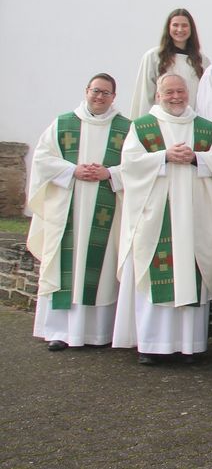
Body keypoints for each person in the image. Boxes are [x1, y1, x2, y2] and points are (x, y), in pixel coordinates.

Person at [112, 73, 212, 364]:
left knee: (190, 275)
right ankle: (152, 346)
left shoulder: (205, 128)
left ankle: (188, 346)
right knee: (158, 277)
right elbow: (129, 166)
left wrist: (197, 159)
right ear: (158, 95)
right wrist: (162, 156)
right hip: (156, 217)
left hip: (194, 219)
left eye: (180, 91)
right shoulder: (142, 128)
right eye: (169, 92)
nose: (176, 97)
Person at [28, 74, 130, 350]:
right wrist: (73, 170)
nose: (99, 97)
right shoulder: (63, 123)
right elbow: (41, 159)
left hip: (105, 211)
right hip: (67, 208)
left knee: (102, 267)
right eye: (95, 91)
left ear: (113, 97)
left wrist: (109, 172)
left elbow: (136, 166)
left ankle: (97, 334)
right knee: (66, 268)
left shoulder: (124, 128)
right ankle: (60, 333)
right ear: (86, 91)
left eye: (106, 93)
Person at [131, 8, 208, 118]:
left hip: (189, 121)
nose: (180, 29)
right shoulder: (153, 57)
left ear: (191, 29)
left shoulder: (202, 61)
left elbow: (205, 99)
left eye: (184, 25)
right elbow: (144, 95)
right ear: (168, 28)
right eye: (175, 25)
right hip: (160, 123)